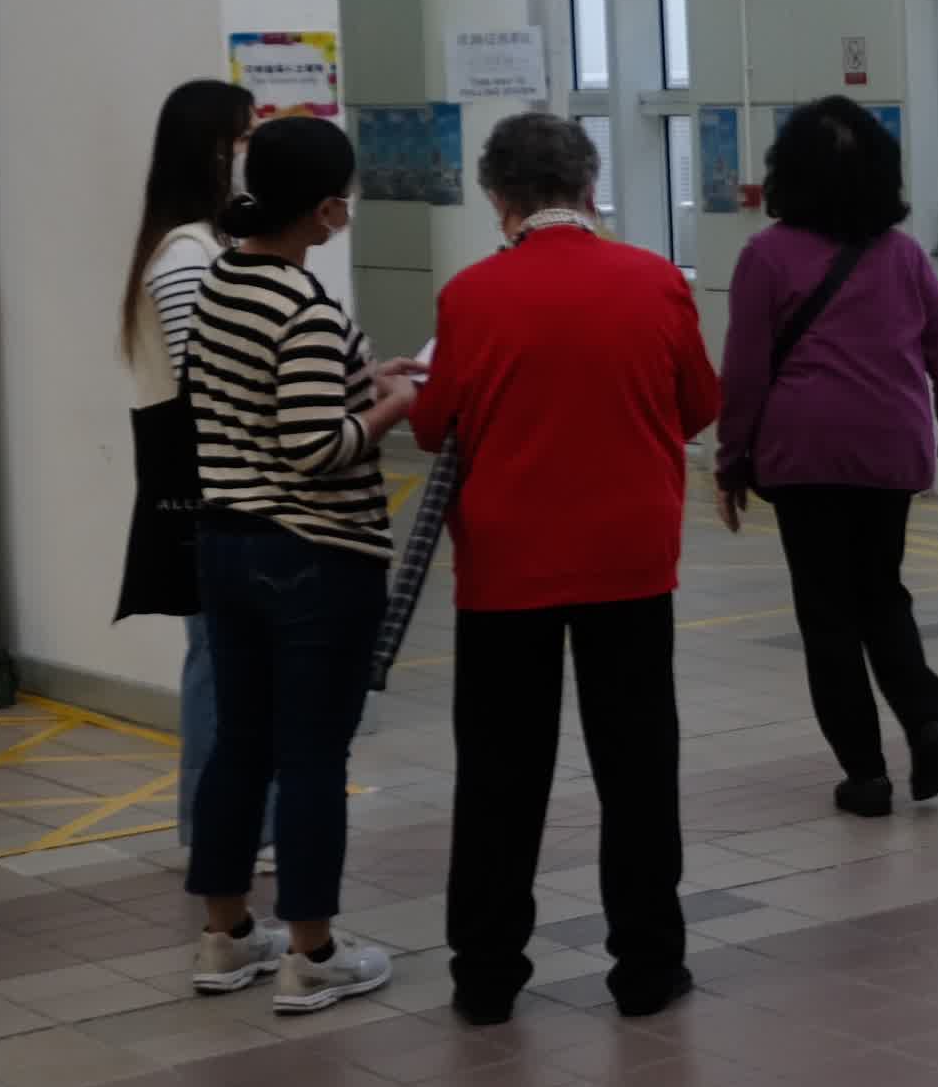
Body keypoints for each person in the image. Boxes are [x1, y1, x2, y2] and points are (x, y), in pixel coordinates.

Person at [408, 115, 722, 1024]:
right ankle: (648, 967)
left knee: (501, 772)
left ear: (499, 199)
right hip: (631, 556)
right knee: (636, 765)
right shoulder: (657, 283)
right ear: (589, 189)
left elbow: (434, 429)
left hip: (508, 565)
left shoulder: (472, 296)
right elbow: (698, 405)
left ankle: (488, 974)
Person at [182, 115, 419, 1009]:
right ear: (325, 211)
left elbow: (265, 403)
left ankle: (227, 935)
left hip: (228, 544)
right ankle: (314, 953)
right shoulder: (305, 306)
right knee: (315, 756)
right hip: (315, 556)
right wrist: (391, 407)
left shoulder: (221, 283)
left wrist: (362, 378)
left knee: (239, 746)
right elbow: (319, 449)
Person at [720, 98, 938, 815]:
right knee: (882, 595)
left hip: (802, 457)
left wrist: (730, 463)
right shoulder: (902, 257)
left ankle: (866, 775)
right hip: (888, 453)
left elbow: (743, 374)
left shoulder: (765, 258)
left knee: (826, 614)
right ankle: (929, 723)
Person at [116, 78, 255, 845]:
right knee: (215, 654)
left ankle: (228, 825)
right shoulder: (183, 254)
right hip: (202, 476)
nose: (249, 153)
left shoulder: (210, 242)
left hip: (219, 470)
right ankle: (213, 828)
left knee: (226, 652)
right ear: (210, 148)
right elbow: (207, 371)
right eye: (241, 138)